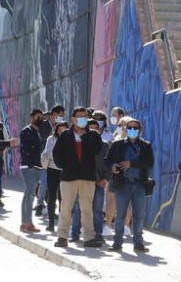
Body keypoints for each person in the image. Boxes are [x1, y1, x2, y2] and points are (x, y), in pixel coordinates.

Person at [53, 108, 104, 248]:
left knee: (87, 208)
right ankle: (62, 237)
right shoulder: (65, 136)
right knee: (66, 208)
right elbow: (57, 154)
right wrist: (65, 166)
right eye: (79, 116)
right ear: (73, 119)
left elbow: (97, 150)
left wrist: (85, 135)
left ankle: (88, 237)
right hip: (68, 177)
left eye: (85, 116)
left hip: (87, 178)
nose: (83, 119)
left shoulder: (93, 135)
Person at [105, 117, 154, 253]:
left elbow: (149, 163)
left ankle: (138, 243)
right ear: (126, 129)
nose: (132, 130)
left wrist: (132, 164)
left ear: (140, 130)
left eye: (135, 128)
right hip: (122, 184)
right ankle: (117, 243)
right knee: (120, 214)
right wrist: (112, 166)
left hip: (139, 184)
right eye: (130, 128)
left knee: (139, 215)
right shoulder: (117, 145)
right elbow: (108, 160)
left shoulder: (146, 146)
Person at [69, 116, 110, 244]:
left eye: (95, 128)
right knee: (79, 208)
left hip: (98, 182)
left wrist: (105, 179)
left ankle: (98, 234)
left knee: (97, 209)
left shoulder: (104, 145)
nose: (93, 130)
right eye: (90, 128)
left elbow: (108, 164)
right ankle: (75, 233)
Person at [18, 109, 46, 233]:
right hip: (29, 167)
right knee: (30, 195)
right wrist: (31, 164)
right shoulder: (27, 131)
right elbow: (25, 150)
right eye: (37, 116)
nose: (39, 118)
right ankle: (28, 223)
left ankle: (24, 223)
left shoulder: (37, 132)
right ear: (31, 117)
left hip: (35, 166)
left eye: (41, 117)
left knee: (28, 194)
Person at [41, 122, 66, 233]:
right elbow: (48, 153)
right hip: (52, 170)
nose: (61, 132)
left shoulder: (69, 139)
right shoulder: (51, 139)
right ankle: (51, 223)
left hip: (65, 171)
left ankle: (62, 223)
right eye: (59, 130)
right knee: (52, 196)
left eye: (64, 130)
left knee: (63, 198)